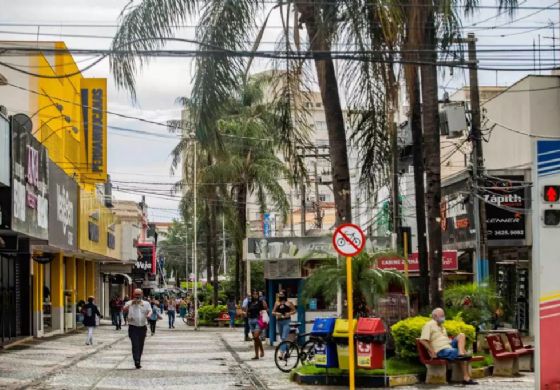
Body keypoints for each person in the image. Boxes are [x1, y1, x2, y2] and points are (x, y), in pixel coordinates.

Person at [420, 308, 478, 386]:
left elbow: (444, 340)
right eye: (441, 315)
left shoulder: (442, 327)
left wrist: (452, 342)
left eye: (444, 315)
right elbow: (423, 340)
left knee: (461, 335)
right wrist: (432, 351)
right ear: (434, 316)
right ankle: (466, 377)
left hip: (448, 347)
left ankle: (461, 353)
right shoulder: (429, 325)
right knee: (464, 354)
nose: (443, 317)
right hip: (441, 350)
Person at [123, 288, 152, 369]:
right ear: (133, 295)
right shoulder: (129, 302)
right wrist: (131, 304)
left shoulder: (146, 303)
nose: (137, 296)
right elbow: (124, 310)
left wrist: (149, 315)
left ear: (142, 294)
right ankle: (137, 361)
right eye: (136, 294)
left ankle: (138, 358)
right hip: (133, 327)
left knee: (141, 345)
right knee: (135, 344)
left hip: (143, 327)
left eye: (139, 294)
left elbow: (150, 310)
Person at [272, 290, 296, 359]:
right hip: (279, 321)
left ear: (285, 295)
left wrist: (289, 313)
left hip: (287, 321)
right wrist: (277, 314)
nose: (280, 296)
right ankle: (287, 351)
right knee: (282, 338)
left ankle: (281, 353)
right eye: (279, 295)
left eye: (282, 294)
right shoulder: (277, 303)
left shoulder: (289, 303)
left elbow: (294, 311)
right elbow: (273, 312)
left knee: (284, 337)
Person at [245, 289, 268, 360]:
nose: (255, 295)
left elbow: (266, 308)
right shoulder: (250, 302)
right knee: (255, 339)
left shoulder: (260, 302)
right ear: (252, 295)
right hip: (250, 321)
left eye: (256, 294)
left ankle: (262, 350)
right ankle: (256, 355)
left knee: (255, 336)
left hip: (258, 320)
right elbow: (247, 311)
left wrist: (263, 301)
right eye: (254, 294)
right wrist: (246, 313)